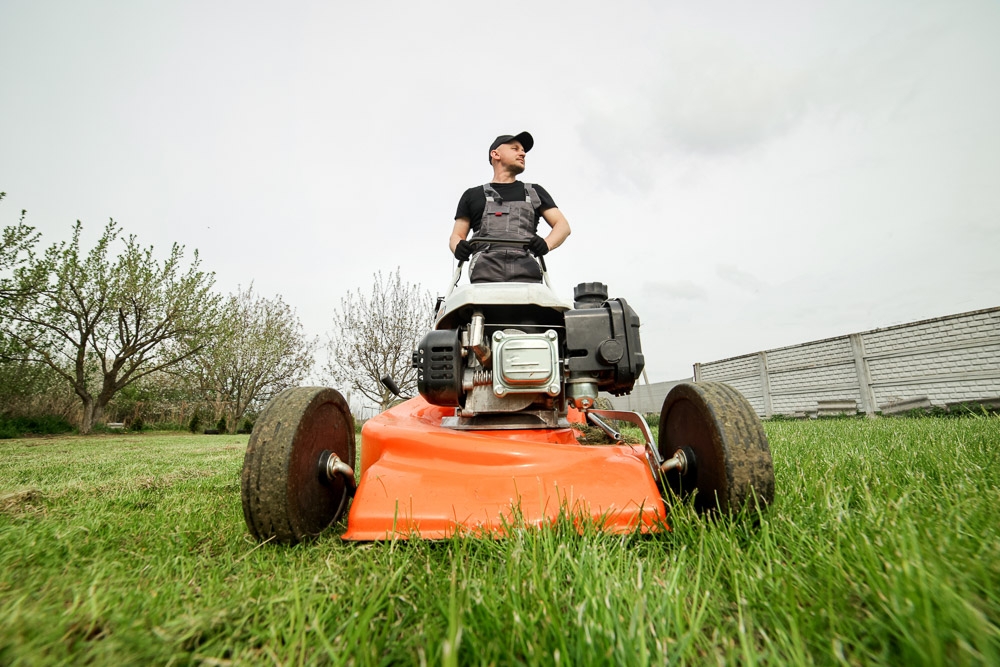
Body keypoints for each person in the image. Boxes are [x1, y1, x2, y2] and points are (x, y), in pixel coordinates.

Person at [449, 131, 571, 283]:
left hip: (527, 271)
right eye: (515, 149)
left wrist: (547, 244)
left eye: (523, 151)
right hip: (484, 273)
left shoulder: (534, 192)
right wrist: (458, 247)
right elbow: (457, 235)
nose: (523, 154)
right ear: (496, 154)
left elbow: (563, 226)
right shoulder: (472, 195)